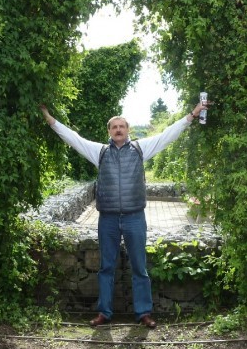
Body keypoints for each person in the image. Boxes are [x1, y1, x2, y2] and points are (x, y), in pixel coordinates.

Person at [39, 100, 209, 328]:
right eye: (114, 127)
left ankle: (143, 313)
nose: (118, 130)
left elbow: (167, 135)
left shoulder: (140, 149)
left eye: (122, 126)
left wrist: (192, 115)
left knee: (139, 267)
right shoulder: (99, 152)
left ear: (128, 130)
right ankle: (104, 313)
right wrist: (49, 118)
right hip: (108, 219)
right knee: (106, 268)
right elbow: (73, 138)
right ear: (109, 131)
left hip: (134, 217)